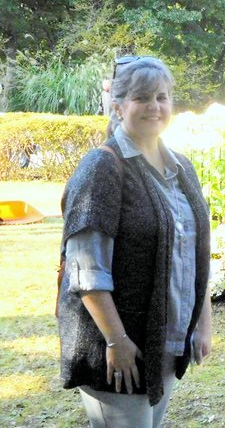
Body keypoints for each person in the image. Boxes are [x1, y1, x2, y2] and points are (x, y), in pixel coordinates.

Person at [57, 56, 213, 428]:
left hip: (165, 342)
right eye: (142, 97)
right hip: (117, 350)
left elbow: (196, 251)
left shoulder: (181, 167)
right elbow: (85, 269)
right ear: (118, 105)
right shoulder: (102, 167)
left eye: (162, 97)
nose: (154, 107)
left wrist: (203, 321)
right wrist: (117, 341)